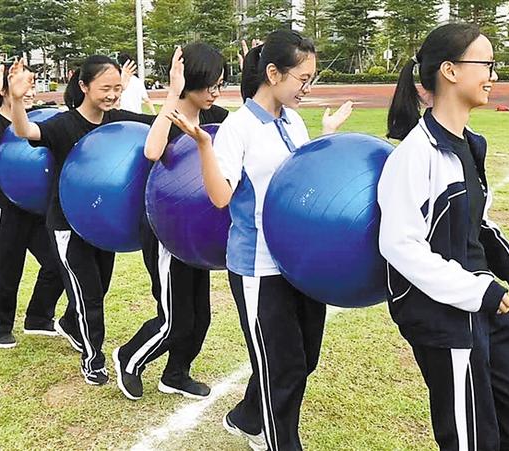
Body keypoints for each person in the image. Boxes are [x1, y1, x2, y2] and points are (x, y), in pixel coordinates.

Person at [168, 30, 353, 451]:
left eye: (311, 78)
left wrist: (325, 137)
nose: (307, 87)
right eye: (302, 78)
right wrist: (204, 145)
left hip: (300, 264)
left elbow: (302, 182)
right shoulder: (239, 127)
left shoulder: (293, 120)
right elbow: (220, 197)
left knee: (304, 359)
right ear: (273, 73)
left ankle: (247, 418)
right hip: (259, 266)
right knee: (281, 368)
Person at [378, 23, 509, 450]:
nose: (494, 75)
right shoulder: (414, 155)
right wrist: (477, 291)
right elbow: (399, 244)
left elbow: (477, 219)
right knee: (470, 440)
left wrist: (506, 261)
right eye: (486, 64)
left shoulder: (470, 144)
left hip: (481, 306)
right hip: (443, 319)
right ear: (451, 71)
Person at [9, 56, 155, 385]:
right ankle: (93, 359)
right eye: (105, 88)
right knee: (87, 296)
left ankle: (69, 324)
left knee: (99, 289)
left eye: (117, 88)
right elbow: (25, 130)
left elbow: (160, 125)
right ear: (84, 86)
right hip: (68, 225)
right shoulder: (64, 125)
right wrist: (16, 100)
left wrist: (177, 95)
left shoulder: (119, 121)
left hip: (103, 226)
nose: (112, 95)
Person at [112, 43, 229, 401]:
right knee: (174, 318)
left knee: (200, 316)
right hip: (166, 233)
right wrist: (172, 95)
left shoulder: (218, 118)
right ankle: (129, 357)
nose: (214, 93)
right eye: (208, 84)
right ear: (188, 81)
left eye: (220, 84)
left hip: (198, 234)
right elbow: (152, 151)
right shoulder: (168, 119)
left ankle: (176, 374)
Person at [0, 61, 66, 349]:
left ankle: (38, 317)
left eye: (31, 84)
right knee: (7, 270)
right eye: (22, 84)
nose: (29, 91)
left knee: (58, 262)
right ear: (5, 89)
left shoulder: (37, 120)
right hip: (2, 209)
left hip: (36, 210)